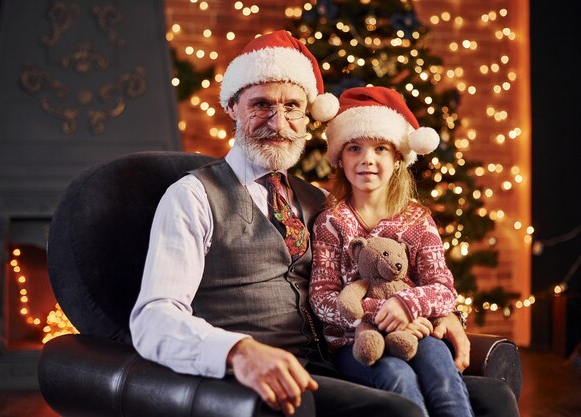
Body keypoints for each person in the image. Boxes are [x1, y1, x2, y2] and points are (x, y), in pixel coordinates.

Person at [129, 30, 519, 417]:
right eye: (261, 104)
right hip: (267, 375)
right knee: (400, 409)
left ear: (308, 117)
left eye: (293, 107)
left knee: (496, 399)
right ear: (232, 107)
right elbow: (153, 317)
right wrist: (237, 352)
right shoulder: (192, 197)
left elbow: (387, 273)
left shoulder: (318, 202)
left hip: (337, 357)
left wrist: (445, 314)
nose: (279, 123)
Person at [310, 86, 474, 417]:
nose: (367, 159)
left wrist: (407, 304)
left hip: (415, 331)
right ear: (340, 159)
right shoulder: (330, 222)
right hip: (354, 343)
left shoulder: (417, 220)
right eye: (354, 148)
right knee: (398, 379)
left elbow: (443, 289)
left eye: (380, 148)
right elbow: (322, 297)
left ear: (397, 158)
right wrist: (382, 311)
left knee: (442, 377)